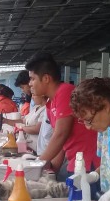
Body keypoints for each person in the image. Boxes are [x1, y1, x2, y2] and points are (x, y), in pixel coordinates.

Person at [26, 53, 99, 189]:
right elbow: (60, 142)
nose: (30, 84)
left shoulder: (65, 92)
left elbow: (61, 134)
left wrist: (35, 166)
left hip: (88, 164)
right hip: (75, 163)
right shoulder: (50, 103)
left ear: (46, 78)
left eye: (32, 79)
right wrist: (52, 170)